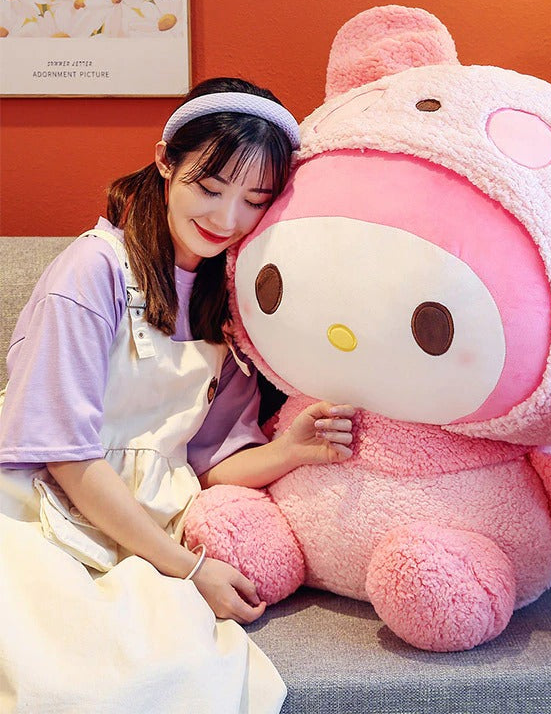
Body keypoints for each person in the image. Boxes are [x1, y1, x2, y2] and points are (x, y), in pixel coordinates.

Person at [0, 77, 355, 714]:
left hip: (152, 524)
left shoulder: (234, 300)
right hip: (41, 510)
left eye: (254, 200)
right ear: (166, 161)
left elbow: (203, 462)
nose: (226, 219)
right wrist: (186, 569)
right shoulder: (93, 272)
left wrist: (289, 451)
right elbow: (67, 456)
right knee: (71, 681)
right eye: (209, 188)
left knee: (187, 674)